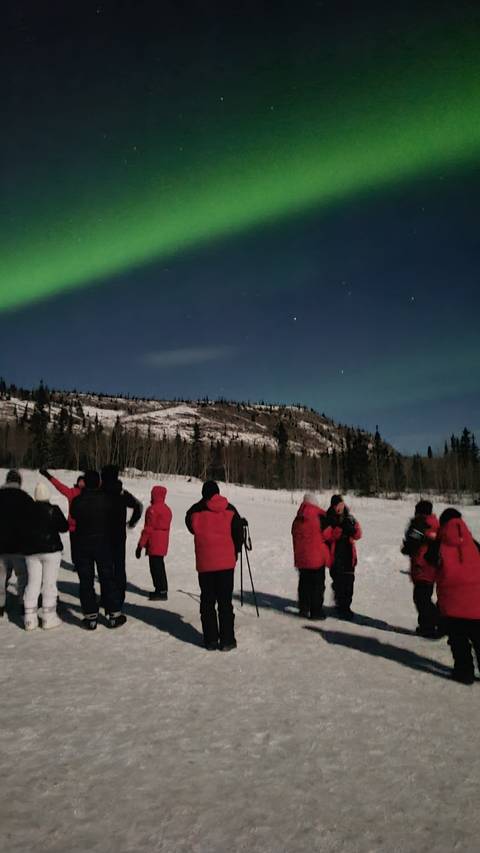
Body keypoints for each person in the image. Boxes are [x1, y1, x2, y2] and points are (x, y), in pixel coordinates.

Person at [185, 480, 244, 651]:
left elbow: (189, 522)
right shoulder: (230, 509)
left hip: (205, 564)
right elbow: (238, 532)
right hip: (226, 564)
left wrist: (202, 502)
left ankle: (211, 639)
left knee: (208, 601)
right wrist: (236, 552)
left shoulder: (197, 511)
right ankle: (227, 640)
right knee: (225, 602)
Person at [70, 470, 126, 630]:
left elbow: (73, 514)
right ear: (99, 483)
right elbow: (114, 516)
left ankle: (90, 616)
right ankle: (113, 614)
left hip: (83, 545)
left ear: (85, 483)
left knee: (86, 581)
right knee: (107, 578)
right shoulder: (106, 500)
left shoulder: (78, 501)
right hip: (103, 544)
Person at [432, 508, 480, 685]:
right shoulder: (473, 543)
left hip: (452, 605)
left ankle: (464, 673)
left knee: (459, 643)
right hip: (477, 603)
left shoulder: (439, 545)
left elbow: (430, 563)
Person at [23, 482, 69, 631]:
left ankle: (29, 618)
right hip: (51, 550)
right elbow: (64, 527)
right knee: (49, 583)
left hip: (31, 552)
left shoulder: (27, 511)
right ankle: (49, 617)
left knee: (33, 582)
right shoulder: (53, 510)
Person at [100, 465, 143, 606]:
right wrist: (131, 523)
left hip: (103, 535)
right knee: (119, 567)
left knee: (105, 568)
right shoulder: (122, 493)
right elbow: (139, 506)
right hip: (119, 535)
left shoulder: (100, 492)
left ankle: (106, 597)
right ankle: (119, 597)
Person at [401, 499, 441, 638]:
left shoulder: (422, 524)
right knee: (423, 597)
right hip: (428, 566)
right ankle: (426, 625)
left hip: (423, 566)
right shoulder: (434, 523)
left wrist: (407, 545)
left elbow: (413, 541)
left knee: (421, 598)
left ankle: (439, 622)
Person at [0, 469, 35, 616]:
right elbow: (34, 521)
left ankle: (0, 606)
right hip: (19, 545)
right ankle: (22, 603)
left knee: (0, 577)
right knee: (22, 577)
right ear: (19, 482)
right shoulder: (25, 498)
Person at [291, 492, 331, 620]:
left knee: (304, 584)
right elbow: (328, 534)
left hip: (301, 557)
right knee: (317, 586)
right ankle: (316, 612)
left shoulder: (298, 518)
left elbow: (294, 535)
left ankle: (303, 608)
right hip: (316, 558)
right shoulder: (320, 516)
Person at [323, 494, 362, 619]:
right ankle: (340, 605)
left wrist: (353, 528)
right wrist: (339, 530)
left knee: (349, 582)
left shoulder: (350, 517)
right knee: (339, 583)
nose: (339, 507)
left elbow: (358, 534)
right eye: (336, 505)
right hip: (336, 555)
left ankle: (346, 607)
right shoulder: (328, 518)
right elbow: (326, 536)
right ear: (333, 506)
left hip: (349, 555)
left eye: (340, 504)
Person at [39, 469, 85, 565]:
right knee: (75, 547)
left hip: (86, 526)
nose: (81, 483)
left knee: (84, 547)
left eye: (83, 481)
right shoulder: (72, 492)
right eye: (79, 481)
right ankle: (77, 563)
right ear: (77, 483)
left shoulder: (90, 493)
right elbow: (59, 486)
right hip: (73, 526)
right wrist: (48, 476)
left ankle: (82, 563)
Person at [135, 485, 172, 600]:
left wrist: (140, 545)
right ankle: (162, 589)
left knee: (155, 567)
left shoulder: (152, 509)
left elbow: (148, 529)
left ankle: (160, 590)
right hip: (163, 542)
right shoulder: (167, 509)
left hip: (155, 541)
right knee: (159, 565)